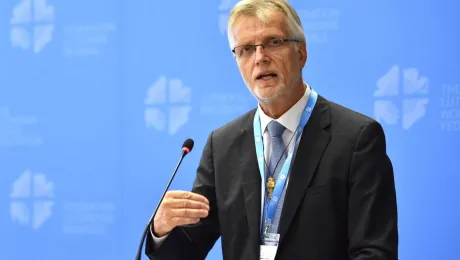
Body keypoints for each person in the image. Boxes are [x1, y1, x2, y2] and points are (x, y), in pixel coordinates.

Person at [145, 0, 398, 259]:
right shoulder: (221, 145)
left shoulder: (357, 138)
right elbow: (188, 250)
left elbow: (375, 251)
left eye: (273, 42)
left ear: (301, 53)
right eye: (245, 49)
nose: (260, 58)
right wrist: (161, 229)